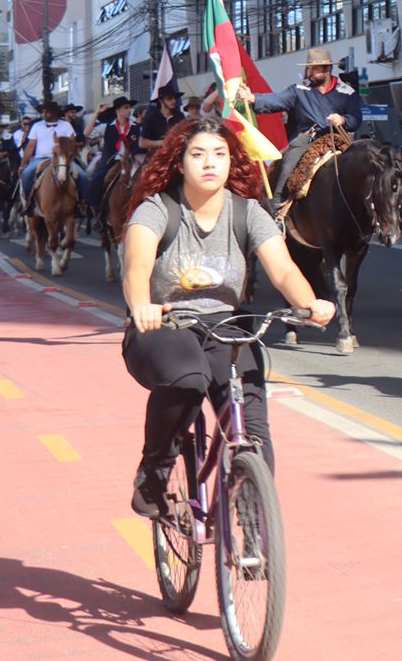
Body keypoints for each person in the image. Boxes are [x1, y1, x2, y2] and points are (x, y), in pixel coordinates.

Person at [121, 117, 336, 518]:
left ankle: (254, 524)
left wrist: (310, 303)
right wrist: (141, 306)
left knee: (253, 428)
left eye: (219, 154)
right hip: (165, 325)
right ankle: (154, 470)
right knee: (188, 379)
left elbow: (284, 270)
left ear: (231, 161)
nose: (210, 163)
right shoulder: (157, 210)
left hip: (227, 327)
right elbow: (136, 268)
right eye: (198, 154)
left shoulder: (248, 213)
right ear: (179, 162)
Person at [246, 48, 362, 206]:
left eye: (314, 68)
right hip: (307, 140)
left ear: (328, 69)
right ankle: (278, 207)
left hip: (338, 139)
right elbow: (276, 100)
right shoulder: (299, 91)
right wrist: (252, 98)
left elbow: (356, 119)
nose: (309, 72)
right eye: (309, 68)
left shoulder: (347, 93)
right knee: (288, 165)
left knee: (365, 162)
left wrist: (342, 119)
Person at [20, 101, 82, 211]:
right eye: (43, 112)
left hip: (62, 159)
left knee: (83, 176)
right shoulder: (36, 126)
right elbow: (30, 147)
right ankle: (29, 204)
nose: (44, 114)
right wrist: (22, 164)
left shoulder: (66, 125)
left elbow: (73, 143)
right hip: (40, 159)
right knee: (26, 174)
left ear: (55, 113)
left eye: (47, 112)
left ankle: (81, 205)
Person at [85, 97, 140, 211]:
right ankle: (98, 209)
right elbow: (87, 133)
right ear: (118, 110)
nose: (129, 110)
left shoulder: (136, 127)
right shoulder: (106, 127)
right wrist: (96, 113)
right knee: (98, 180)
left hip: (131, 161)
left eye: (130, 107)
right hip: (112, 161)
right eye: (126, 108)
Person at [140, 84, 185, 152]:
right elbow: (142, 143)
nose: (174, 101)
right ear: (161, 101)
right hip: (158, 156)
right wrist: (160, 143)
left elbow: (186, 134)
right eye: (169, 98)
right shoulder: (151, 118)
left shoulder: (180, 116)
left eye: (174, 98)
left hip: (177, 154)